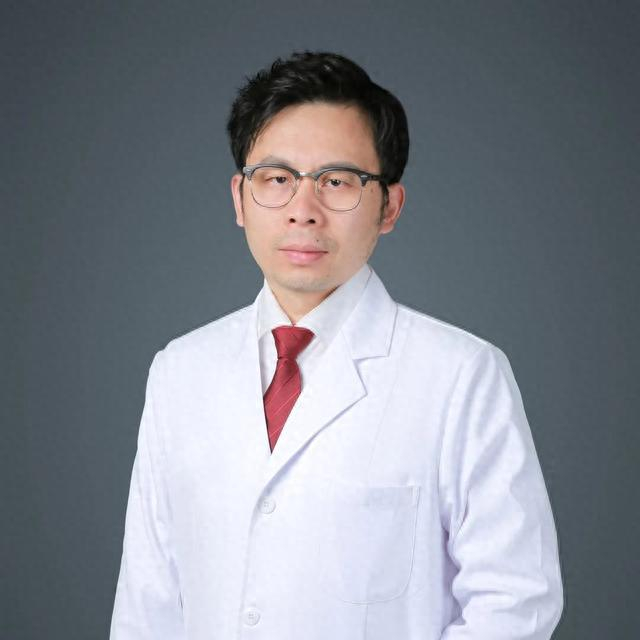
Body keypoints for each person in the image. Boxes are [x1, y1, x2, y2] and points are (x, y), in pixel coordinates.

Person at [109, 51, 563, 640]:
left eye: (337, 181)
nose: (303, 212)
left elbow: (515, 602)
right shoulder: (179, 372)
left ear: (389, 207)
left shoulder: (462, 376)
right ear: (239, 198)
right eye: (277, 179)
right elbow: (147, 604)